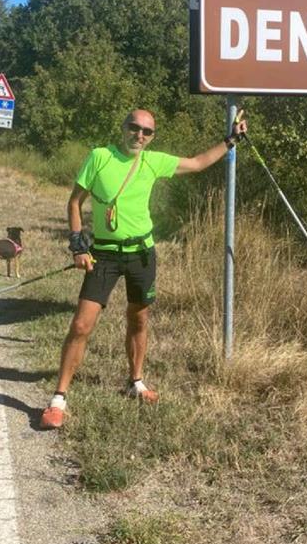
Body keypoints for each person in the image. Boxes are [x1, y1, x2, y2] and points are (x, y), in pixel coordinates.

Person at [40, 108, 248, 429]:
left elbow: (197, 163)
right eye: (134, 128)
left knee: (138, 319)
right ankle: (58, 399)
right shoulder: (100, 157)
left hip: (142, 254)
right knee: (81, 325)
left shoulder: (153, 161)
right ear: (123, 128)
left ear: (152, 137)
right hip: (104, 255)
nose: (139, 135)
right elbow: (74, 202)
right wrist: (78, 246)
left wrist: (231, 139)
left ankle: (135, 382)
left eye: (147, 132)